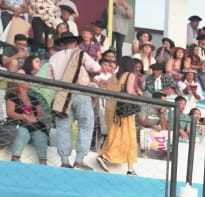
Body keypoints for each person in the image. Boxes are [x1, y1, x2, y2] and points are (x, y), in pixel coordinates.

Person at [46, 31, 102, 170]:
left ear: (62, 43)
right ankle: (80, 159)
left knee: (63, 128)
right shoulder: (80, 54)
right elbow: (97, 68)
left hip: (61, 95)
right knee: (86, 125)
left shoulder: (53, 58)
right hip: (80, 92)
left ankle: (64, 160)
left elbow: (49, 81)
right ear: (75, 43)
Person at [96, 56, 140, 175]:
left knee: (116, 135)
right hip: (123, 110)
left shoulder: (111, 78)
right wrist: (138, 94)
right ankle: (105, 156)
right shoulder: (130, 75)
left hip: (110, 110)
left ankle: (130, 168)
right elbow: (130, 91)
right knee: (128, 137)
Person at [4, 73, 49, 163]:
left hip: (33, 125)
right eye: (26, 80)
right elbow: (10, 113)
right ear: (19, 82)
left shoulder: (34, 98)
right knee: (23, 131)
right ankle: (15, 158)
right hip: (18, 123)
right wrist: (24, 116)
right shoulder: (12, 96)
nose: (29, 82)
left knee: (40, 135)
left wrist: (35, 117)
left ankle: (43, 161)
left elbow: (41, 115)